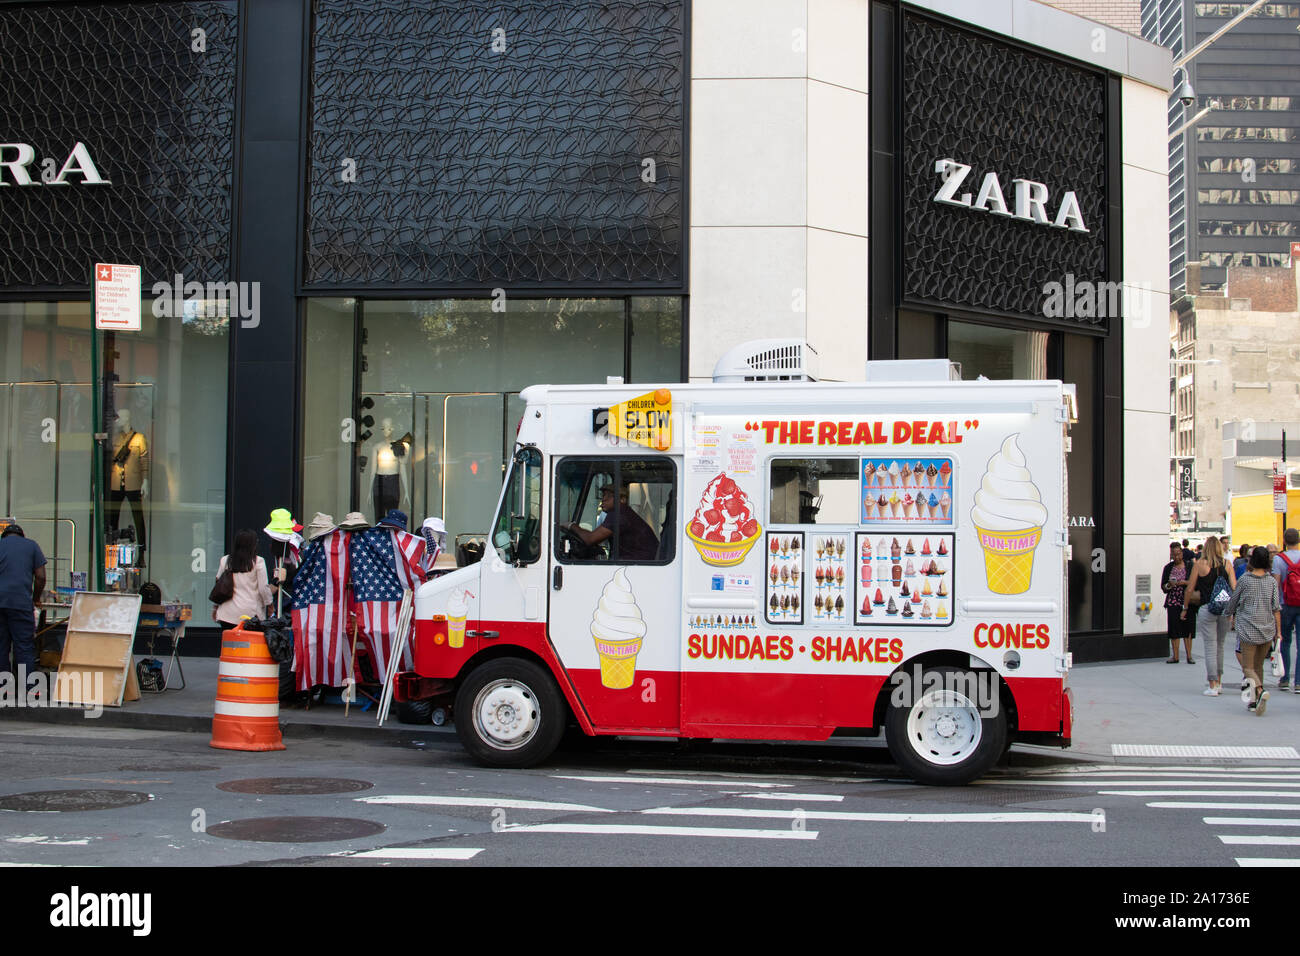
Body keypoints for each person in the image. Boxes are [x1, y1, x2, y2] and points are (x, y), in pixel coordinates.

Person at [1224, 545, 1282, 716]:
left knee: (1248, 667)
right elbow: (1276, 607)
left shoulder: (1245, 580)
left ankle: (1260, 690)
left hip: (1248, 628)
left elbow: (1234, 601)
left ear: (1252, 560)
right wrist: (1278, 632)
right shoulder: (1271, 581)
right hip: (1267, 629)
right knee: (1258, 667)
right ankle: (1254, 701)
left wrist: (1228, 613)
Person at [1185, 536, 1235, 695]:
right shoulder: (1227, 564)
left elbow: (1190, 589)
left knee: (1210, 646)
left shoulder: (1199, 564)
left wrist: (1185, 607)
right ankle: (1219, 682)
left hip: (1207, 608)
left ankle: (1212, 684)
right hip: (1224, 609)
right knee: (1220, 646)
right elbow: (1234, 587)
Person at [0, 524, 46, 692]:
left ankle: (3, 689)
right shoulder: (31, 545)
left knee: (1, 647)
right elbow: (41, 577)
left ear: (4, 536)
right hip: (20, 604)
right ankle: (30, 689)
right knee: (24, 646)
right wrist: (35, 599)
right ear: (22, 535)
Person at [565, 481, 659, 561]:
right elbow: (598, 539)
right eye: (603, 496)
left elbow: (590, 539)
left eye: (608, 496)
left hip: (639, 565)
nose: (603, 500)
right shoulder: (622, 513)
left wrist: (571, 526)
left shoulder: (619, 513)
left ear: (622, 499)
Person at [212, 529, 273, 627]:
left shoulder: (225, 560)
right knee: (249, 642)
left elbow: (219, 586)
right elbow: (263, 588)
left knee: (229, 641)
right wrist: (270, 604)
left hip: (227, 614)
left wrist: (215, 607)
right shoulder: (258, 561)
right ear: (253, 545)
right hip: (250, 614)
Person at [1272, 527, 1300, 692]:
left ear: (1284, 541)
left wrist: (1275, 604)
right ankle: (1298, 682)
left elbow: (1276, 583)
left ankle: (1284, 679)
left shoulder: (1278, 559)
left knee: (1285, 641)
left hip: (1284, 605)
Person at [1161, 541, 1196, 663]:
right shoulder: (1168, 568)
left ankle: (1189, 656)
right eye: (1174, 555)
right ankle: (1175, 656)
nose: (1176, 557)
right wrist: (1169, 585)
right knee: (1174, 629)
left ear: (1182, 552)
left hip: (1188, 600)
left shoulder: (1190, 566)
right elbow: (1163, 587)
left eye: (1178, 554)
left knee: (1188, 629)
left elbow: (1194, 582)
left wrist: (1183, 583)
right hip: (1173, 601)